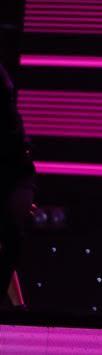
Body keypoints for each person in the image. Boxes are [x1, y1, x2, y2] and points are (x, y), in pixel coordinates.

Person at [0, 64, 35, 309]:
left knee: (8, 238)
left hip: (13, 176)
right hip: (14, 177)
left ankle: (18, 309)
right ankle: (18, 308)